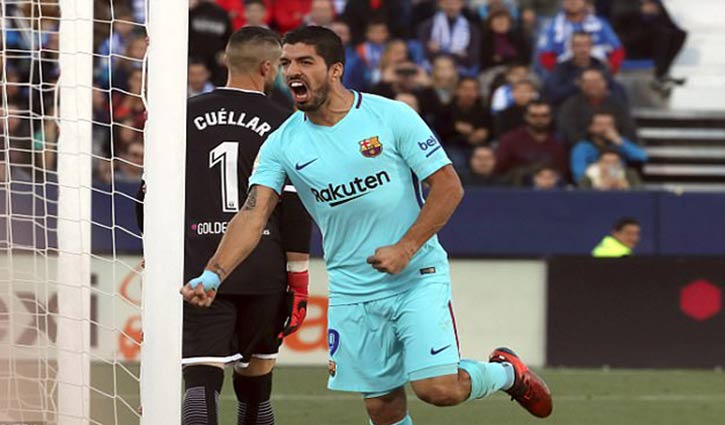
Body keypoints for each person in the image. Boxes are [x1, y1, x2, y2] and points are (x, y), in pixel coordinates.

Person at [181, 26, 552, 425]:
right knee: (383, 406)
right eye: (286, 63)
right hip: (351, 287)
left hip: (416, 276)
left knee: (437, 389)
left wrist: (405, 248)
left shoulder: (390, 116)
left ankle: (507, 373)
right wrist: (214, 274)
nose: (292, 72)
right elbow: (252, 214)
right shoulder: (282, 142)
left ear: (335, 70)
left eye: (305, 61)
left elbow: (448, 186)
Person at [181, 27, 312, 425]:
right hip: (263, 267)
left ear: (226, 60)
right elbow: (295, 206)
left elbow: (148, 194)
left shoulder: (182, 115)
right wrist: (298, 280)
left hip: (199, 265)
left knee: (201, 379)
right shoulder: (287, 122)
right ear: (268, 67)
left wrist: (153, 252)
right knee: (256, 385)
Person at [536, 0, 624, 74]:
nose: (573, 1)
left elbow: (617, 51)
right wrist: (558, 76)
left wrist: (609, 72)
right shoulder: (551, 26)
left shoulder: (600, 24)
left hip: (597, 74)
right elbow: (545, 56)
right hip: (565, 76)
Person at [543, 31, 626, 108]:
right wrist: (578, 86)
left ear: (592, 47)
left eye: (586, 45)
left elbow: (614, 91)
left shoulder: (601, 67)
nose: (582, 50)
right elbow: (553, 93)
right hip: (569, 110)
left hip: (599, 110)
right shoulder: (561, 68)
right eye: (578, 45)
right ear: (571, 47)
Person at [557, 67, 637, 145]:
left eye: (596, 81)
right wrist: (590, 131)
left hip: (615, 146)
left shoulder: (617, 104)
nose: (592, 85)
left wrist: (612, 135)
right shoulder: (571, 105)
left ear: (605, 83)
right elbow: (568, 132)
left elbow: (629, 131)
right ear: (581, 84)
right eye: (587, 82)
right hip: (582, 146)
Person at [495, 100, 567, 184]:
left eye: (544, 116)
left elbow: (563, 172)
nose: (539, 120)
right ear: (526, 117)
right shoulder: (510, 140)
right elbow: (500, 171)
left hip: (552, 189)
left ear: (550, 117)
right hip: (517, 188)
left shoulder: (559, 142)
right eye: (534, 116)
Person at [570, 112, 647, 182]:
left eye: (609, 124)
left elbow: (642, 157)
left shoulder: (620, 144)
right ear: (591, 127)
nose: (605, 128)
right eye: (600, 124)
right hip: (594, 185)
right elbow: (579, 176)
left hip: (620, 184)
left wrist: (619, 141)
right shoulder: (582, 148)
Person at [578, 149, 643, 190]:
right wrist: (600, 189)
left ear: (620, 164)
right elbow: (582, 195)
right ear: (599, 163)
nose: (611, 166)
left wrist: (627, 188)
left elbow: (640, 191)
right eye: (607, 162)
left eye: (615, 162)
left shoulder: (630, 173)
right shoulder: (589, 175)